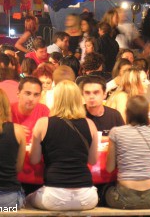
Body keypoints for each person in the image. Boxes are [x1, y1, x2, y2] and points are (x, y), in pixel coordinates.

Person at [27, 80, 98, 211]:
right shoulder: (90, 124)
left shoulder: (43, 123)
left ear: (56, 99)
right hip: (87, 197)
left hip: (54, 195)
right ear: (78, 98)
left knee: (28, 199)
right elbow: (93, 161)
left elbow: (34, 160)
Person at [105, 95, 150, 209]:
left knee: (105, 192)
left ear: (127, 112)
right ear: (146, 113)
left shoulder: (116, 132)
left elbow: (109, 168)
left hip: (125, 197)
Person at [10, 76, 49, 142]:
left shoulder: (44, 111)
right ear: (18, 94)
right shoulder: (8, 110)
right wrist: (11, 131)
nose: (31, 99)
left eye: (36, 95)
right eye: (28, 93)